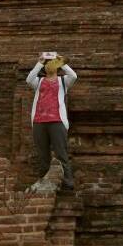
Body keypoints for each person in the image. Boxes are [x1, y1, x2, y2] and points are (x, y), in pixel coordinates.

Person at [26, 54, 77, 190]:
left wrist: (61, 62)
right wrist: (40, 62)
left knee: (61, 152)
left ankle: (67, 180)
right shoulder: (39, 81)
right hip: (39, 121)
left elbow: (74, 76)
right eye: (48, 63)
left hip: (57, 120)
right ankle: (44, 180)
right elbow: (29, 79)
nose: (50, 65)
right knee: (43, 154)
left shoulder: (63, 81)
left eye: (52, 63)